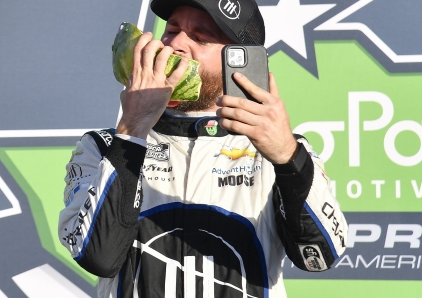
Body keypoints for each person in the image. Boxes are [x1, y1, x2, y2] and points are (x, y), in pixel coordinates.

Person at [58, 0, 348, 297]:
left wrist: (288, 158)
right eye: (171, 30)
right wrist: (133, 130)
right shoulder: (105, 146)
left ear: (239, 60)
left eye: (200, 37)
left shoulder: (281, 153)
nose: (176, 45)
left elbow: (319, 257)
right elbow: (98, 256)